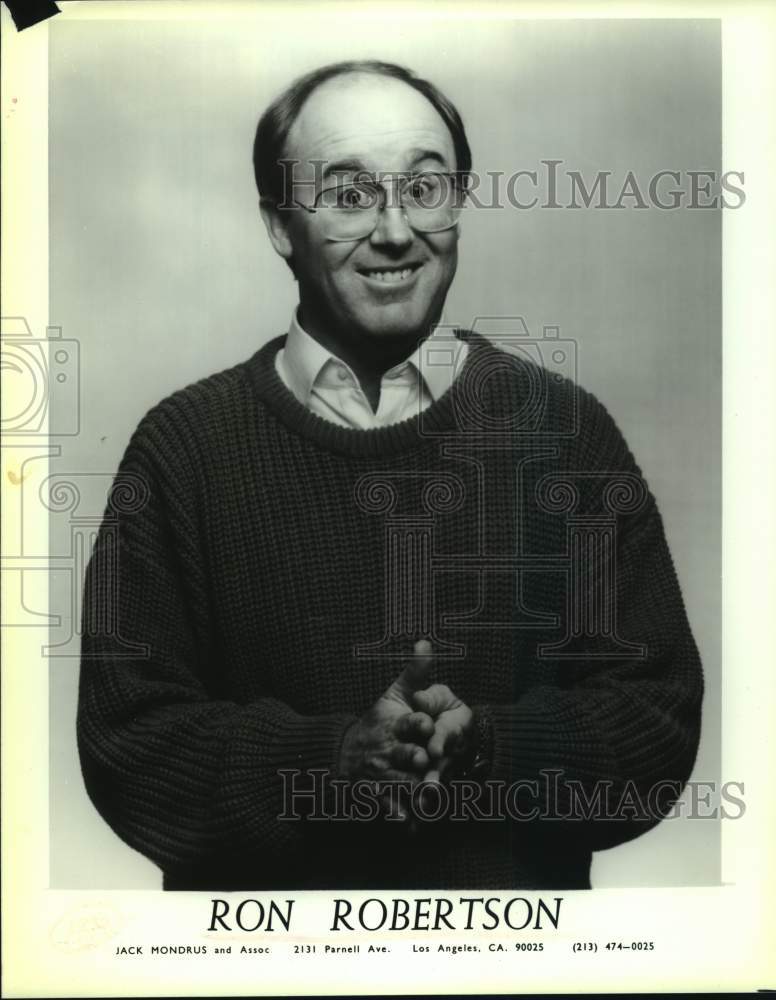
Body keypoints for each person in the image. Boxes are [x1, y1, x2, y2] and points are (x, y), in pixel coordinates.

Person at [77, 60, 703, 891]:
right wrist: (329, 764)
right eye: (347, 196)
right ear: (277, 224)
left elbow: (654, 721)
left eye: (427, 188)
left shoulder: (564, 433)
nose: (396, 230)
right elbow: (129, 745)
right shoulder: (183, 450)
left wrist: (490, 751)